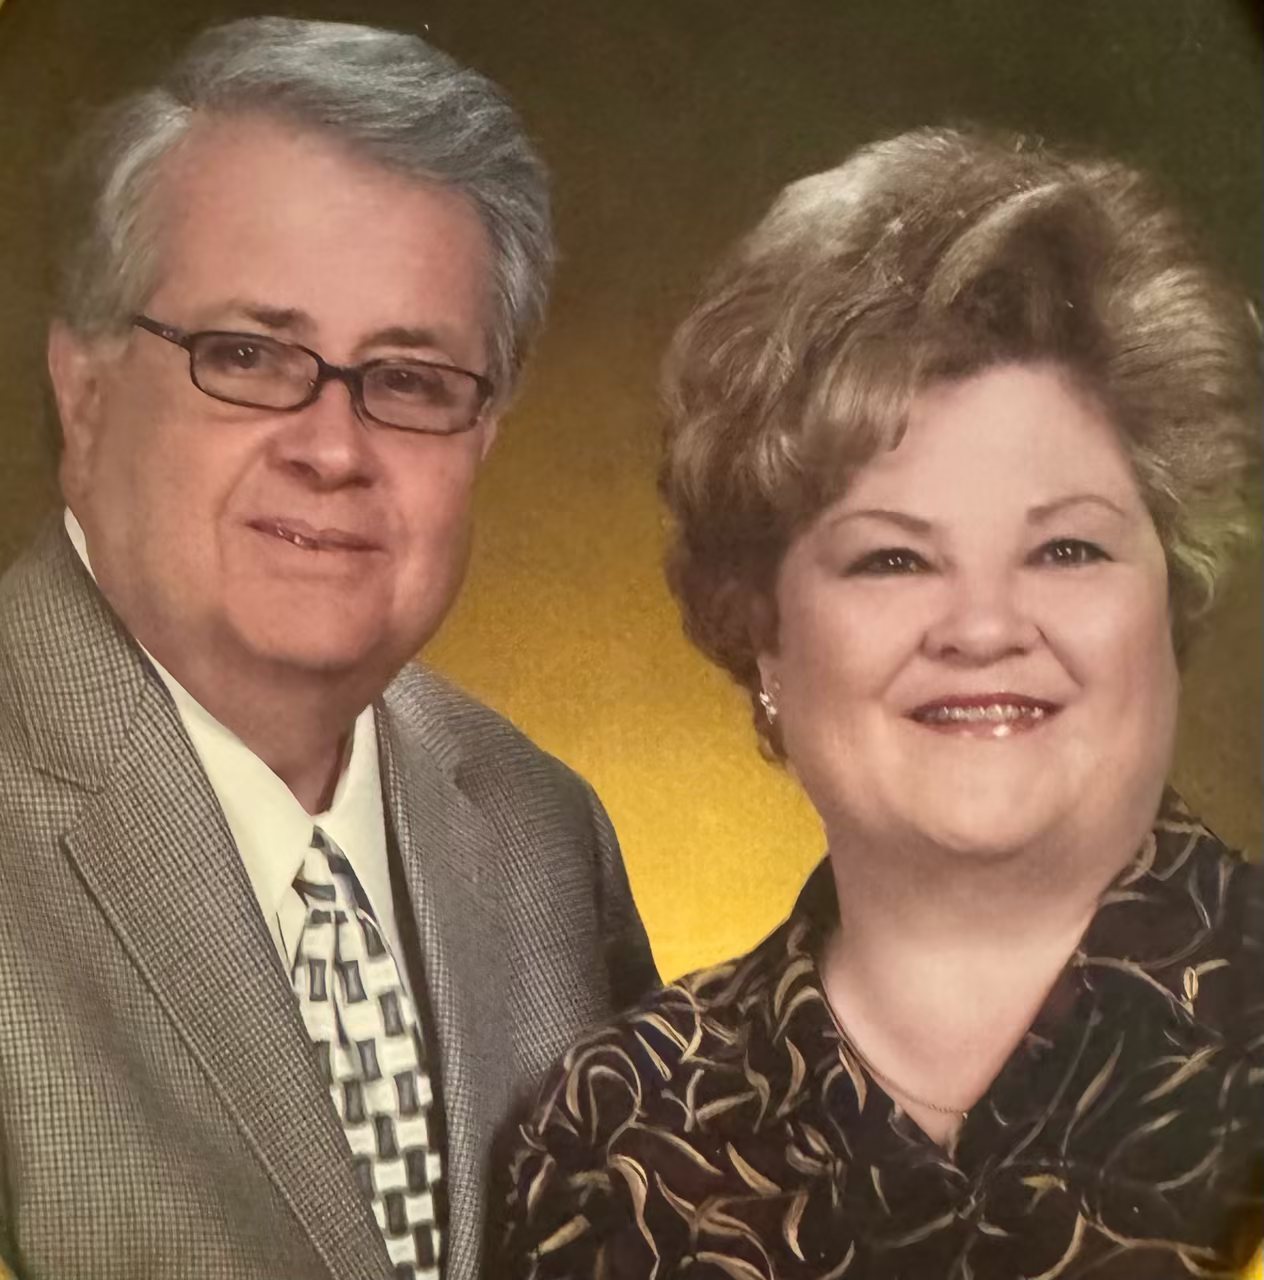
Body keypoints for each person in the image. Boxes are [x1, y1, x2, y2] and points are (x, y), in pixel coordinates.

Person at [496, 127, 1263, 1279]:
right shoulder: (610, 1140)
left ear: (1174, 591)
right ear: (762, 627)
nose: (986, 625)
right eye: (893, 560)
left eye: (1063, 547)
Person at [0, 17, 658, 1280]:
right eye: (246, 357)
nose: (334, 446)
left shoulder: (542, 825)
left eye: (408, 380)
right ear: (82, 394)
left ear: (483, 441)